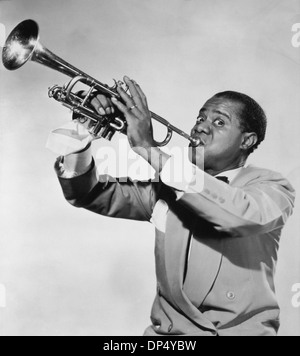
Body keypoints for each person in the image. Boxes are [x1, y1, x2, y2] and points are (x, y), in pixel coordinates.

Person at [52, 76, 295, 336]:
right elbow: (86, 194)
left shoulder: (273, 187)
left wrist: (149, 149)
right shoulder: (166, 189)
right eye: (200, 118)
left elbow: (243, 215)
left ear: (246, 141)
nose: (201, 127)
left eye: (219, 122)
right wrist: (80, 132)